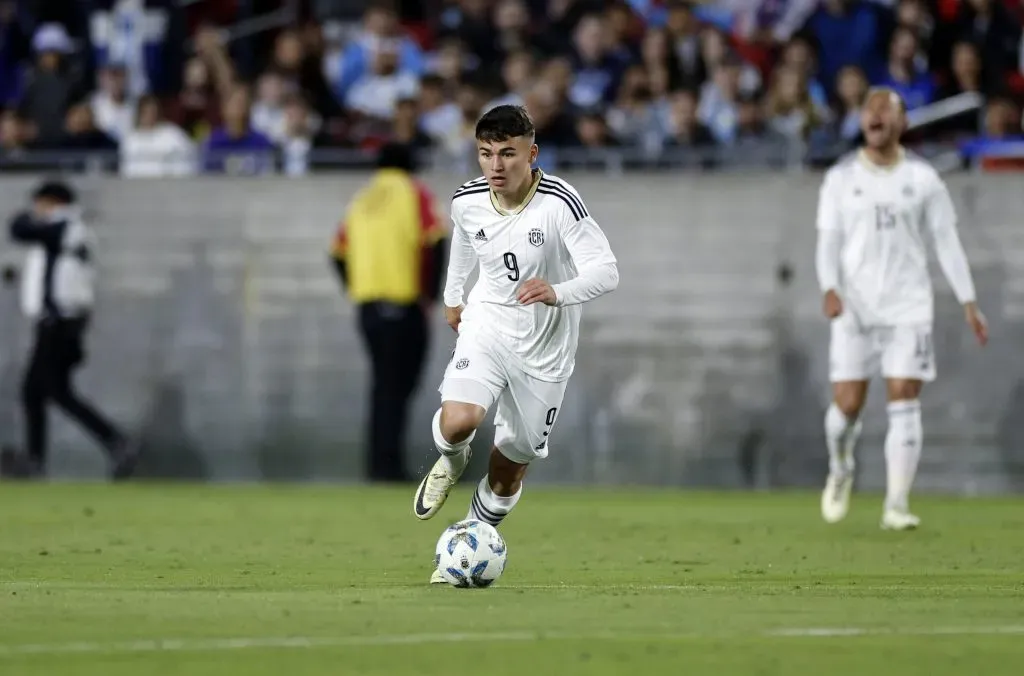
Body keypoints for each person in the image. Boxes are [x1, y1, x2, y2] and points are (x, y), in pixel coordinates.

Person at [412, 104, 619, 583]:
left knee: (509, 469)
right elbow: (465, 239)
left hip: (546, 351)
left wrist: (557, 291)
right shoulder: (466, 199)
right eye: (486, 154)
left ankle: (474, 536)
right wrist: (452, 297)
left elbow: (607, 270)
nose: (496, 166)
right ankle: (452, 457)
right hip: (487, 325)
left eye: (508, 154)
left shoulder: (560, 203)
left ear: (532, 153)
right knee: (459, 420)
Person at [814, 88, 988, 530]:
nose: (875, 115)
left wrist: (969, 301)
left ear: (901, 122)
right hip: (854, 308)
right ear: (861, 121)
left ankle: (896, 504)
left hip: (908, 306)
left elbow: (946, 242)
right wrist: (829, 287)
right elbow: (827, 244)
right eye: (869, 109)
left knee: (905, 397)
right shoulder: (840, 179)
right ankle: (840, 466)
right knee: (846, 407)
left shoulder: (924, 179)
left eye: (884, 110)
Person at [330, 143, 448, 483]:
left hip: (368, 308)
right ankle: (387, 467)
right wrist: (431, 295)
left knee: (383, 385)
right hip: (404, 305)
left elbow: (337, 252)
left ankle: (379, 463)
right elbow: (437, 240)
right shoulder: (416, 193)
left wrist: (356, 288)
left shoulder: (362, 199)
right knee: (398, 386)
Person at [7, 180, 137, 480]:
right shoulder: (68, 231)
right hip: (56, 322)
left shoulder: (68, 226)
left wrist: (21, 219)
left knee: (52, 390)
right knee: (36, 392)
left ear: (53, 202)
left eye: (40, 204)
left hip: (61, 322)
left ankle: (115, 441)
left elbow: (20, 230)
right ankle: (37, 460)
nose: (36, 211)